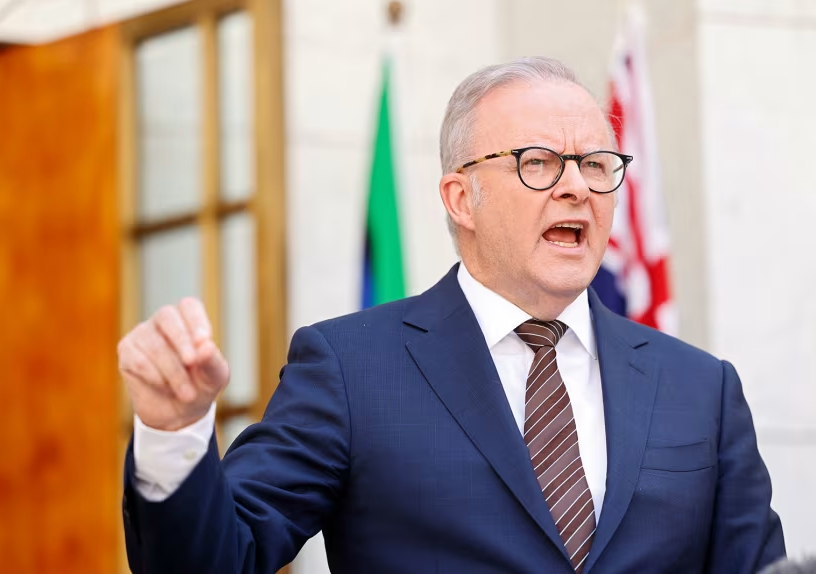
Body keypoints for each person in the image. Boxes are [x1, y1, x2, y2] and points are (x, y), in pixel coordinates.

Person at [118, 57, 784, 573]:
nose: (577, 186)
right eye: (539, 163)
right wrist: (174, 435)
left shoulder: (702, 388)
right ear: (462, 199)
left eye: (596, 164)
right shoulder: (351, 370)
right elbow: (217, 560)